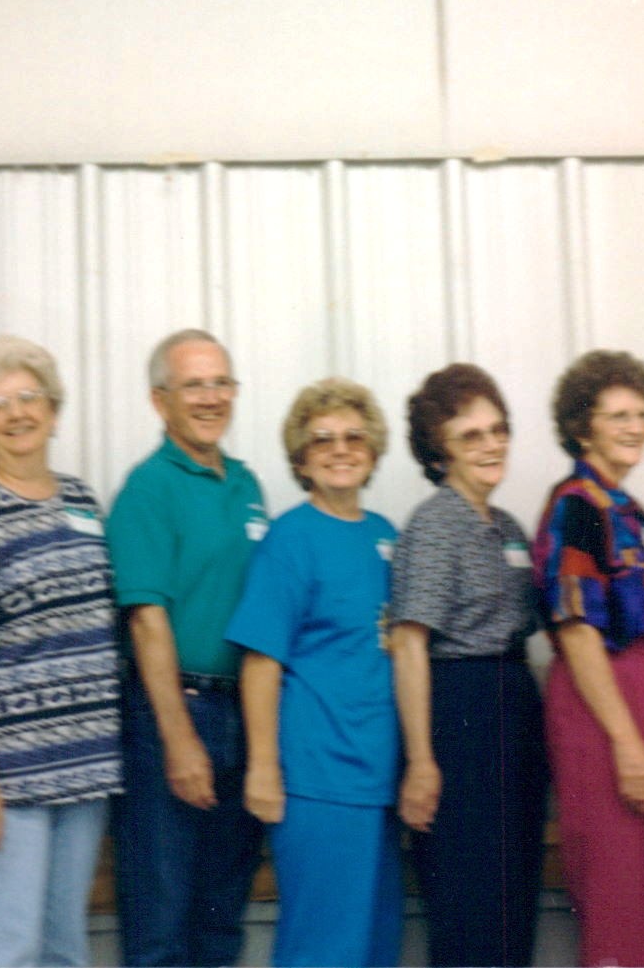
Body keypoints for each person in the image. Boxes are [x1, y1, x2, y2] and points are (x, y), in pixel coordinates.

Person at [0, 335, 121, 967]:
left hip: (82, 772)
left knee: (63, 952)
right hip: (5, 780)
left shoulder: (83, 502)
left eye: (28, 397)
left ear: (53, 411)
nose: (16, 413)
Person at [226, 378, 403, 968]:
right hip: (319, 779)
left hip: (379, 781)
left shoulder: (386, 537)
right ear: (301, 459)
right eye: (322, 439)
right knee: (323, 951)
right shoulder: (291, 538)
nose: (340, 449)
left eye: (354, 437)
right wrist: (263, 768)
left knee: (374, 948)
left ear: (373, 450)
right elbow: (260, 660)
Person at [107, 328, 269, 967]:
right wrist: (178, 740)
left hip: (242, 717)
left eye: (221, 382)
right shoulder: (148, 489)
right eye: (194, 385)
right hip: (172, 717)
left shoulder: (247, 485)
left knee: (221, 918)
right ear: (160, 401)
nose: (211, 397)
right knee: (162, 921)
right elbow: (147, 622)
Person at [389, 362, 547, 968]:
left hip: (513, 705)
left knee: (514, 894)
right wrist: (422, 761)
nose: (491, 445)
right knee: (469, 900)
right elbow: (409, 645)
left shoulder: (508, 528)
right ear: (440, 451)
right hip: (460, 712)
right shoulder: (435, 524)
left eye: (498, 430)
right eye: (471, 435)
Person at [531, 350, 644, 968]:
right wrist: (627, 741)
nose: (634, 426)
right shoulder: (578, 506)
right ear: (582, 428)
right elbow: (577, 631)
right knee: (617, 892)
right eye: (618, 416)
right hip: (603, 706)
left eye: (642, 414)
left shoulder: (631, 511)